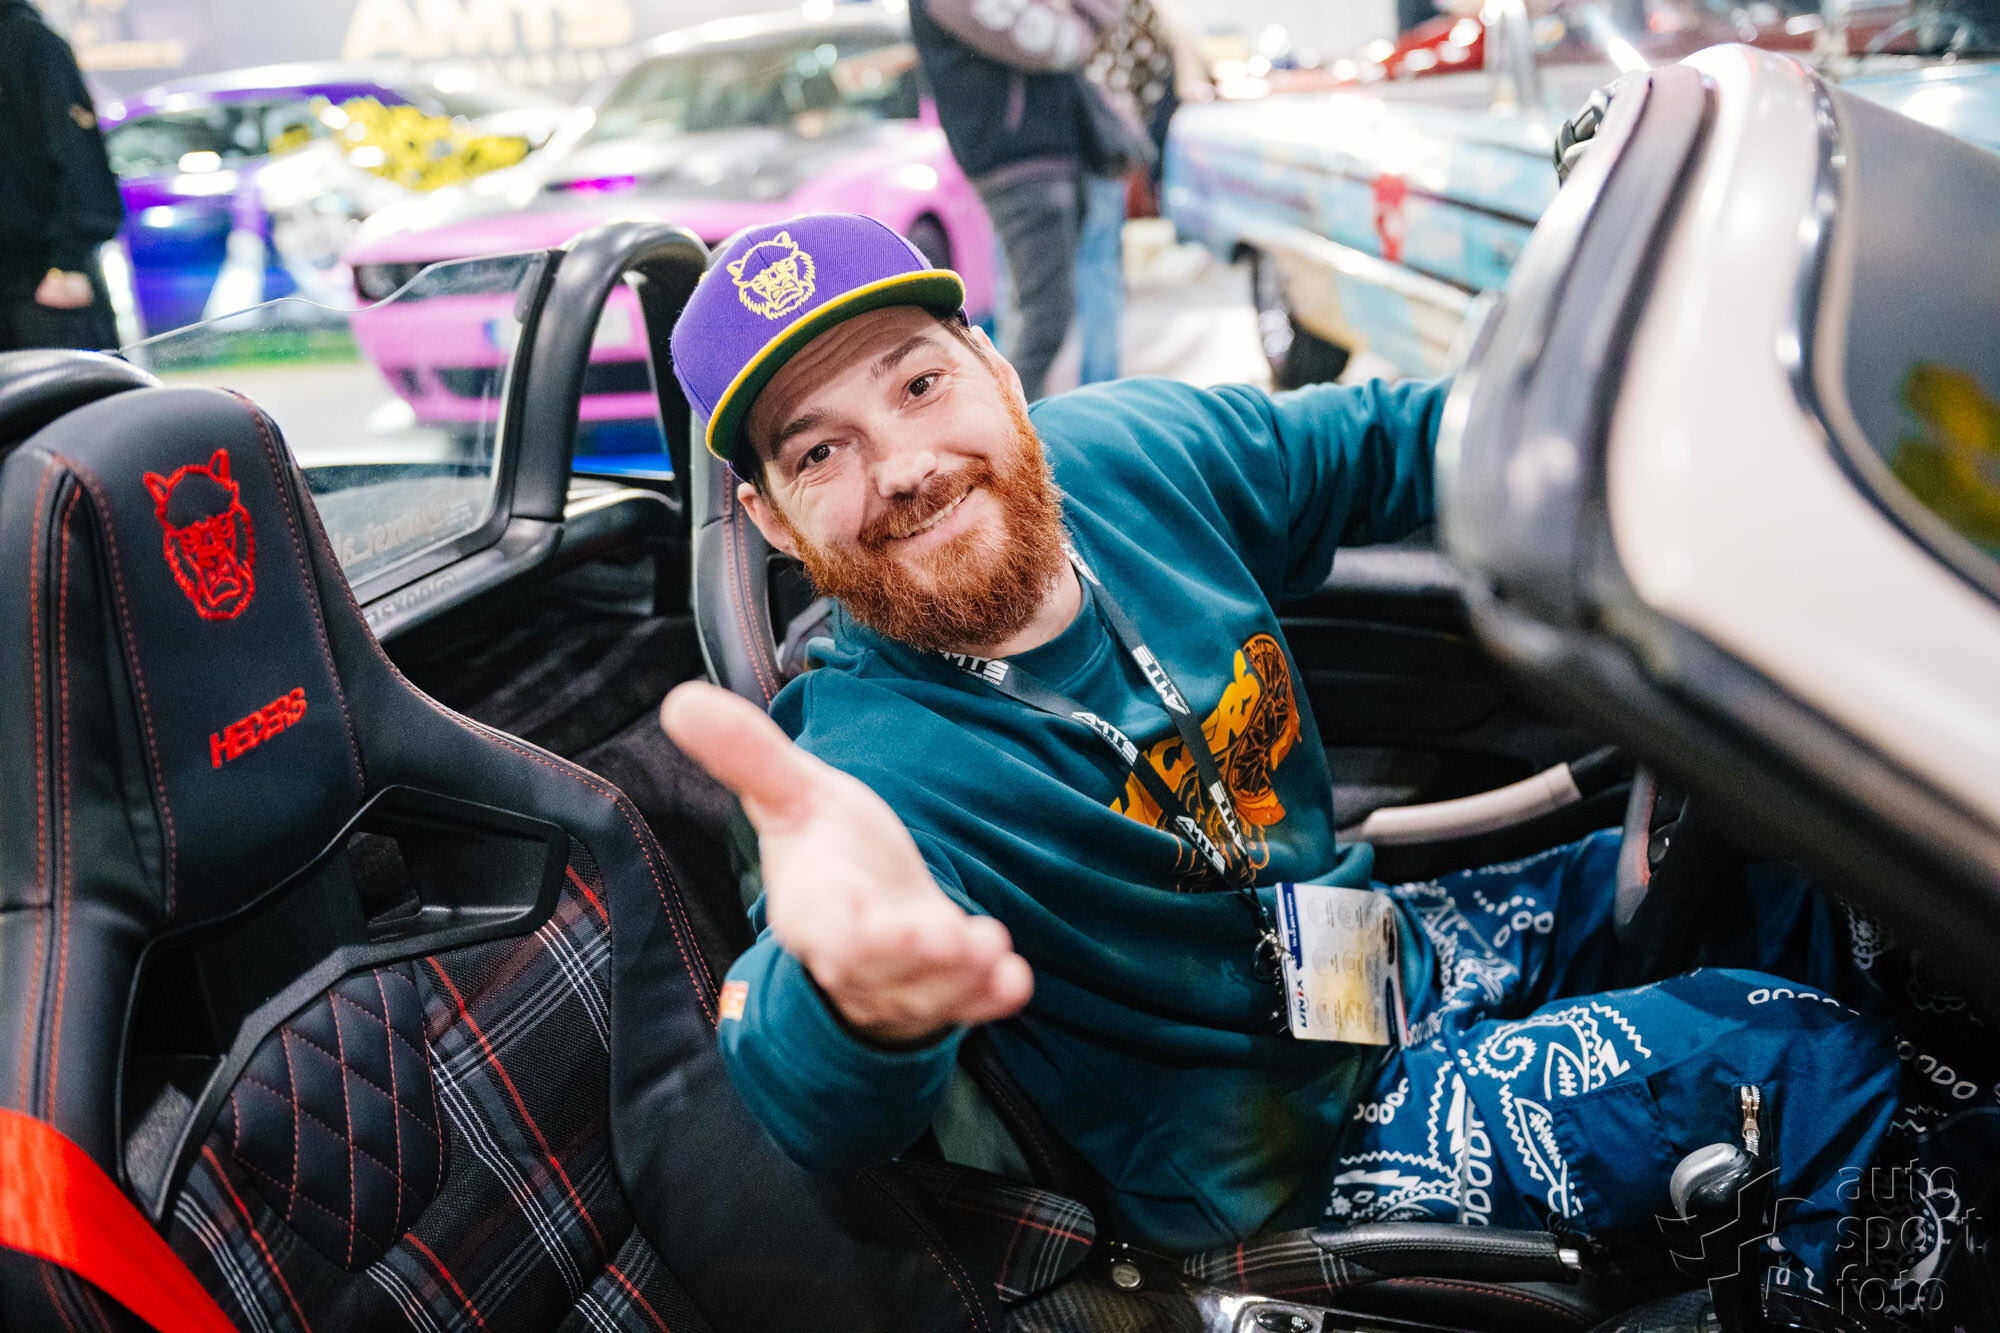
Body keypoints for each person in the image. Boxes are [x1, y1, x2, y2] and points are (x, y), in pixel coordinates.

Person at [660, 212, 1958, 1296]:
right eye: (821, 449)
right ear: (772, 519)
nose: (903, 465)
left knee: (1803, 882)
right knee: (1788, 1061)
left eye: (917, 382)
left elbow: (1391, 440)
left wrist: (1655, 435)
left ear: (994, 367)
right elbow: (807, 1088)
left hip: (1374, 958)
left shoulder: (1128, 456)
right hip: (1279, 1170)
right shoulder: (857, 774)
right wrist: (856, 1005)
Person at [911, 0, 1125, 400]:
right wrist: (1078, 21)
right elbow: (1054, 41)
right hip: (1019, 160)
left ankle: (1022, 419)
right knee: (1045, 319)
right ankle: (1012, 428)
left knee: (1041, 313)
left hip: (1037, 154)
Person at [0, 0, 124, 353]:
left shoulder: (27, 40)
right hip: (27, 282)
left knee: (77, 385)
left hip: (42, 285)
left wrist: (67, 263)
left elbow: (80, 158)